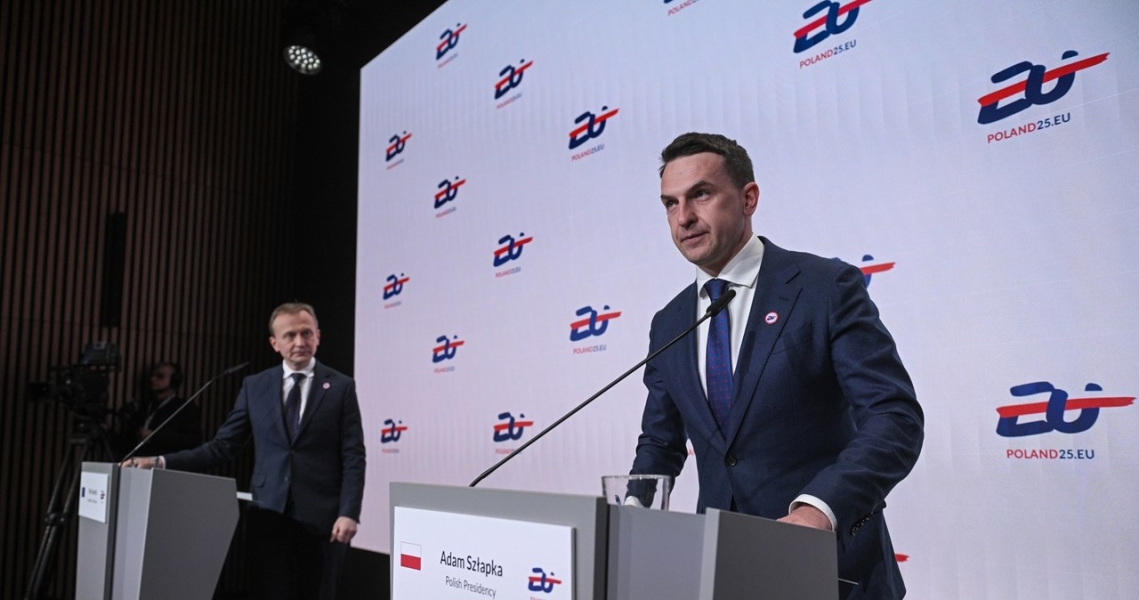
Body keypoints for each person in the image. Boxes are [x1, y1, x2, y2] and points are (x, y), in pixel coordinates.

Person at [629, 132, 924, 599]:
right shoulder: (669, 323)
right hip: (724, 571)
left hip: (831, 569)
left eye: (700, 195)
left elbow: (894, 418)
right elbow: (661, 444)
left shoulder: (824, 288)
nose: (683, 217)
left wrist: (819, 509)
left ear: (748, 198)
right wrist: (632, 512)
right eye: (670, 203)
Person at [124, 302, 366, 600]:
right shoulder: (255, 386)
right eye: (289, 335)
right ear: (274, 344)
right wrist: (161, 461)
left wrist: (349, 512)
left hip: (324, 520)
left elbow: (353, 456)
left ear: (318, 335)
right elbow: (222, 447)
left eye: (306, 333)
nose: (299, 342)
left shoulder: (341, 387)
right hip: (268, 516)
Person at [120, 361, 202, 457]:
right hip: (137, 462)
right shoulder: (143, 406)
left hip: (166, 463)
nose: (153, 379)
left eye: (160, 376)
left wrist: (155, 436)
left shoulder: (185, 408)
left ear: (174, 380)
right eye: (152, 376)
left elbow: (192, 440)